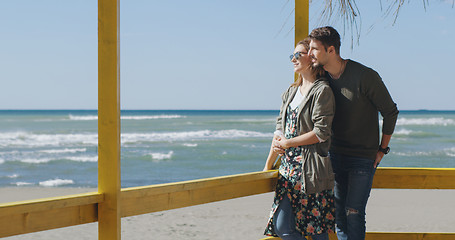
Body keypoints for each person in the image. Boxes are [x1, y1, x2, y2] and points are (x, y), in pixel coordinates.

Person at [308, 26, 399, 240]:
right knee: (340, 216)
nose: (311, 53)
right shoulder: (321, 79)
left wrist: (382, 150)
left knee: (354, 213)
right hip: (334, 155)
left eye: (314, 49)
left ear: (331, 50)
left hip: (362, 159)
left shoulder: (365, 76)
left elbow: (390, 112)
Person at [263, 37, 336, 240]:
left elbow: (321, 132)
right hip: (287, 172)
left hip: (311, 171)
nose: (293, 59)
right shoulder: (290, 92)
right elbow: (279, 131)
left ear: (311, 58)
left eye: (297, 55)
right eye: (291, 56)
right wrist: (268, 166)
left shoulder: (322, 91)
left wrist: (288, 143)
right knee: (282, 227)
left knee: (318, 231)